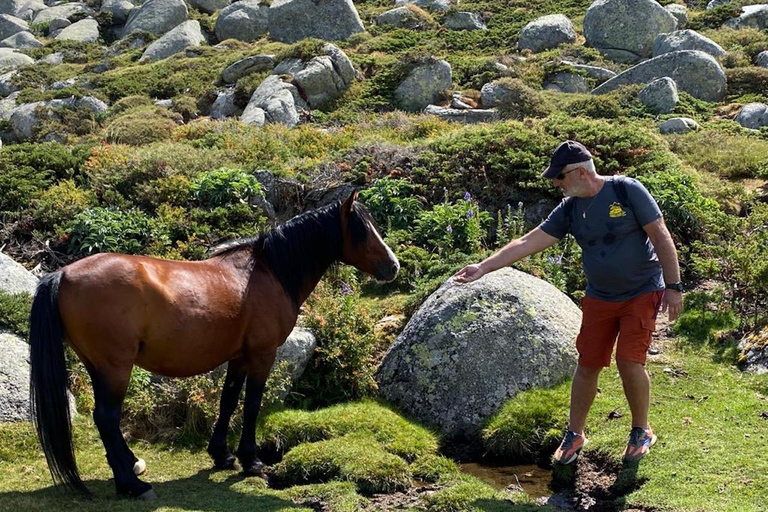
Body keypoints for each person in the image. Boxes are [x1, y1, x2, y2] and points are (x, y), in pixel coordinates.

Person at [453, 140, 684, 464]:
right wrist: (484, 266)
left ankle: (641, 430)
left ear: (579, 172)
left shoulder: (627, 191)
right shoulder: (571, 208)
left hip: (641, 291)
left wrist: (673, 287)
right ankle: (575, 434)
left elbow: (660, 235)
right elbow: (528, 241)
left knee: (629, 361)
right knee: (587, 364)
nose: (555, 183)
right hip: (600, 297)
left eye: (559, 177)